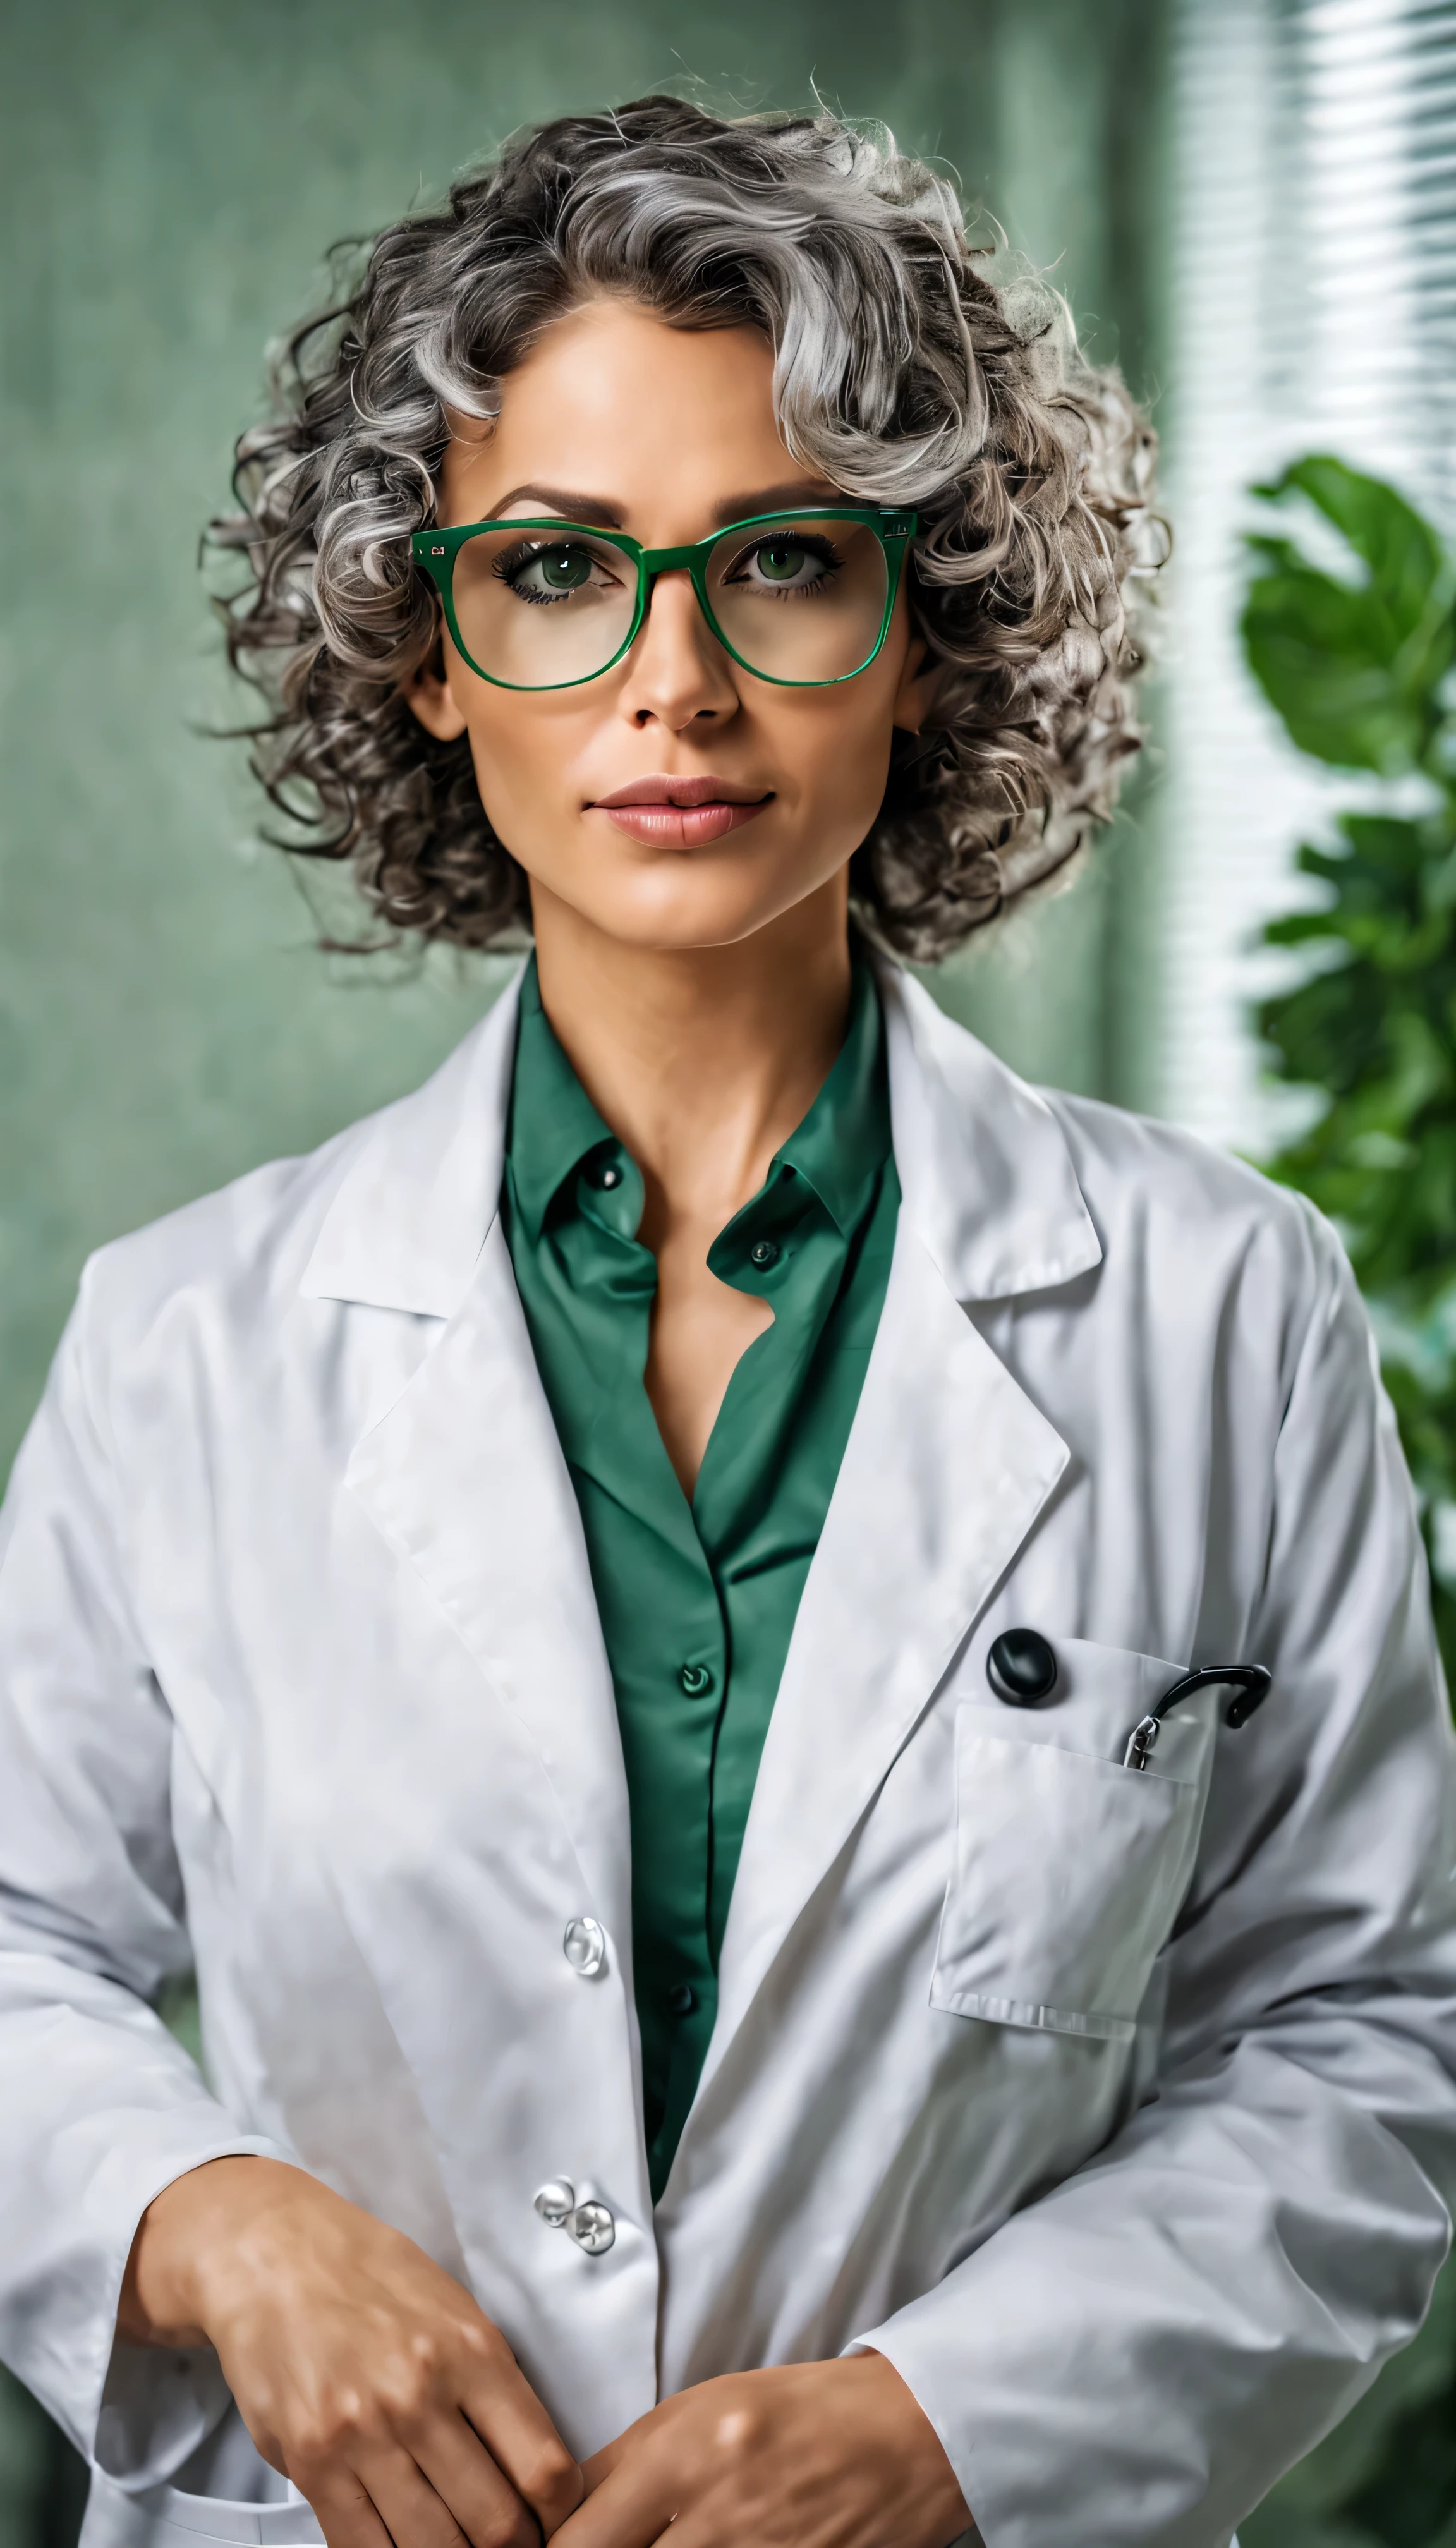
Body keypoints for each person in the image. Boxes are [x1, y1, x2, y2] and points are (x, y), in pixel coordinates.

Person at [0, 94, 1452, 2548]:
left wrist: (942, 2426)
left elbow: (1370, 2033)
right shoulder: (189, 1343)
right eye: (557, 569)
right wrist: (200, 2224)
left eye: (780, 561)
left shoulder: (1230, 1315)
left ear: (927, 638)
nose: (670, 682)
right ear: (431, 659)